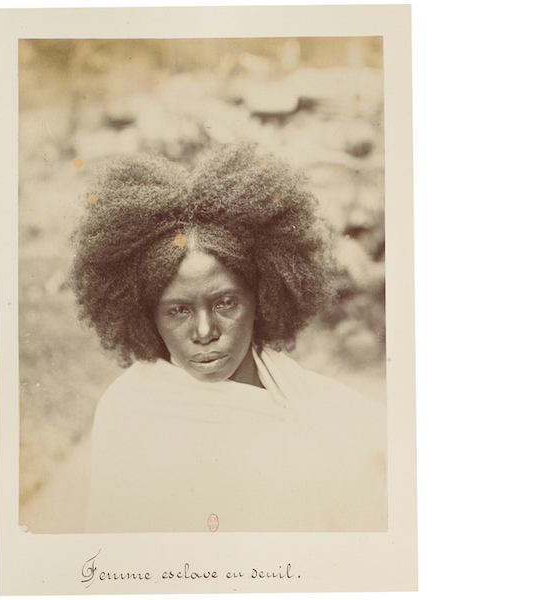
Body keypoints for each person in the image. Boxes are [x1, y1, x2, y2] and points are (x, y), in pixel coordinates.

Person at [69, 143, 386, 533]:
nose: (205, 332)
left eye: (225, 303)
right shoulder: (129, 412)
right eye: (178, 310)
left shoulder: (337, 415)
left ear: (264, 294)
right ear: (147, 315)